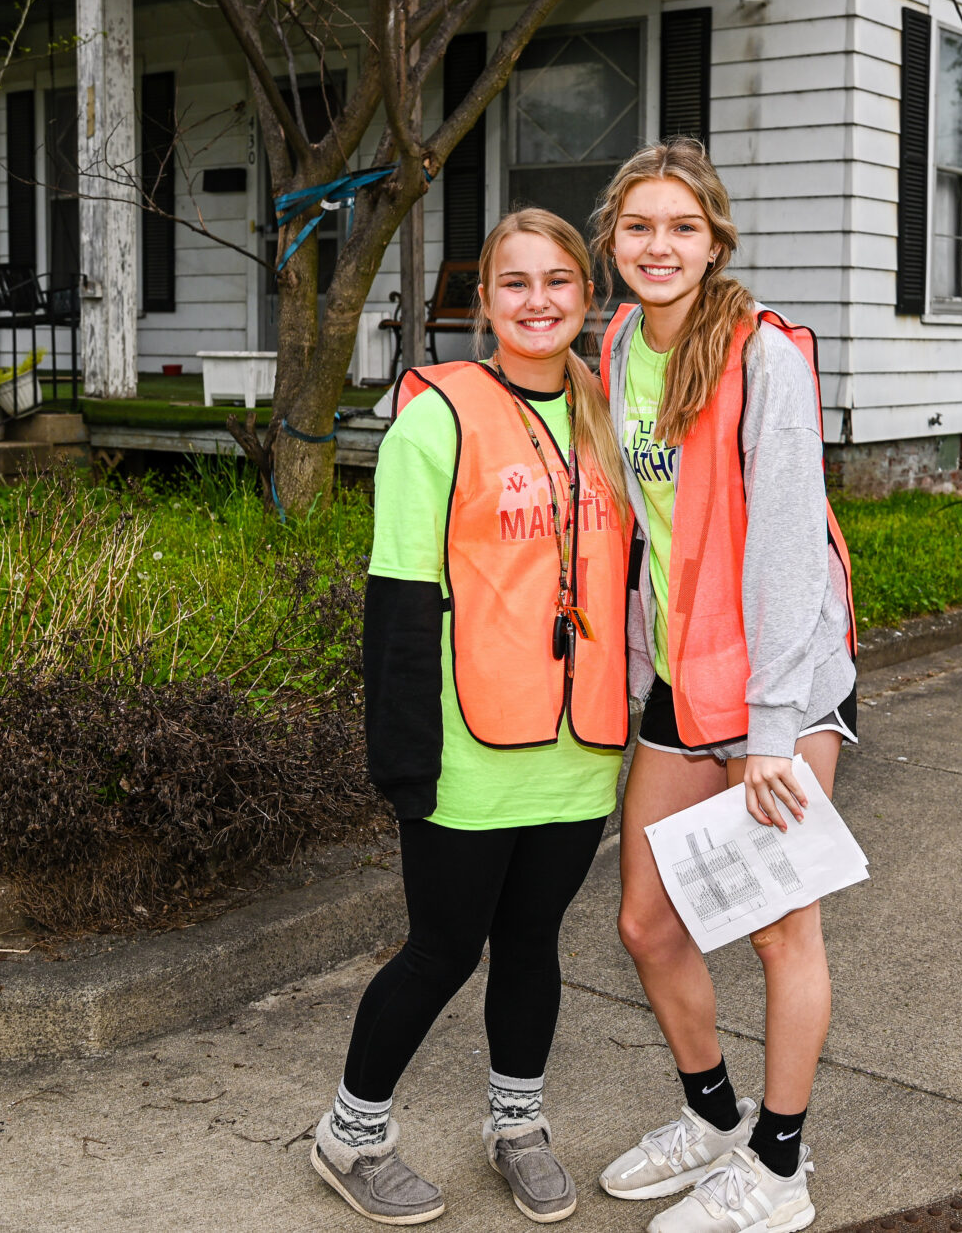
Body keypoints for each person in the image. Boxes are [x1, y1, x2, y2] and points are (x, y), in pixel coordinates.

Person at [311, 208, 630, 1226]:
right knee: (442, 947)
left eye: (558, 282)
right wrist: (405, 760)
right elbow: (398, 602)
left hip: (579, 748)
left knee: (532, 940)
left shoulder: (606, 414)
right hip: (465, 747)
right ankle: (350, 1134)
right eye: (514, 283)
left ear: (589, 296)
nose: (538, 302)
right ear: (481, 300)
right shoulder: (435, 418)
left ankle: (515, 1122)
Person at [592, 139, 857, 1233]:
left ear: (715, 241)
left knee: (773, 929)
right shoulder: (616, 343)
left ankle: (779, 1168)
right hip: (680, 678)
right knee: (648, 924)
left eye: (681, 228)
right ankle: (712, 1117)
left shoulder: (762, 358)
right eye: (638, 227)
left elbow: (789, 551)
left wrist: (770, 730)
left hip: (777, 692)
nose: (659, 247)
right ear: (612, 239)